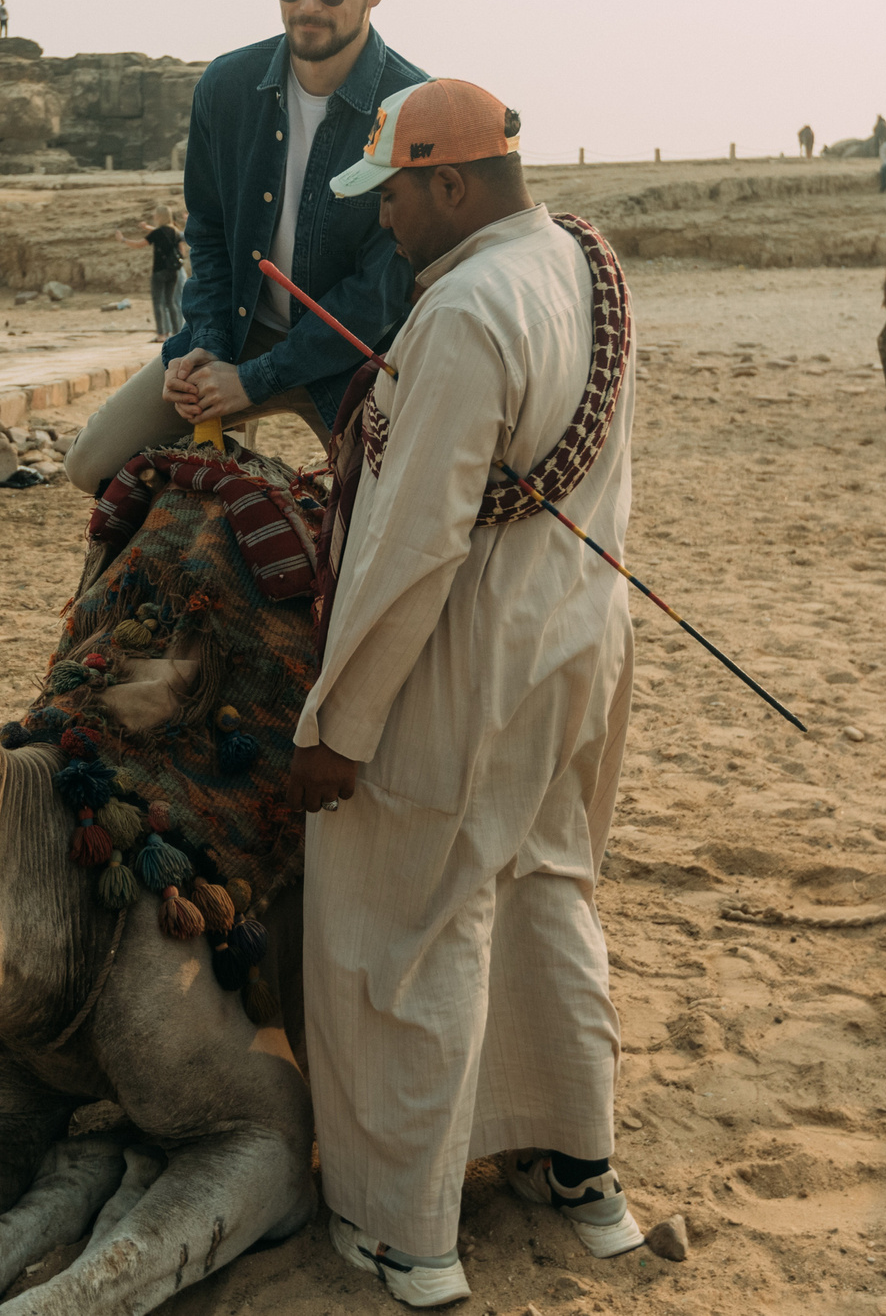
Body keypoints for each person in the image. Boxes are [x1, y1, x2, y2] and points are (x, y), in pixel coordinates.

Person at [284, 79, 639, 1306]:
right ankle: (578, 1170)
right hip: (574, 643)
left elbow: (414, 546)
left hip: (466, 658)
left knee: (406, 918)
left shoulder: (464, 314)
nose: (382, 222)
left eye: (391, 196)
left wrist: (340, 725)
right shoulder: (582, 259)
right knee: (544, 890)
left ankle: (407, 1234)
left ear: (448, 183)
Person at [64, 0, 427, 492]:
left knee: (383, 529)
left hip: (349, 360)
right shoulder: (225, 88)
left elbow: (379, 295)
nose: (306, 5)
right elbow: (206, 233)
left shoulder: (411, 109)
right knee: (89, 465)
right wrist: (204, 347)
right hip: (237, 332)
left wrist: (254, 382)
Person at [114, 207, 185, 338]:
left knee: (158, 302)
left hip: (159, 270)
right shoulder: (175, 232)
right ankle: (177, 332)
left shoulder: (157, 233)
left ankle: (161, 334)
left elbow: (139, 244)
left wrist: (123, 240)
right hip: (173, 270)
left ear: (160, 217)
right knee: (171, 302)